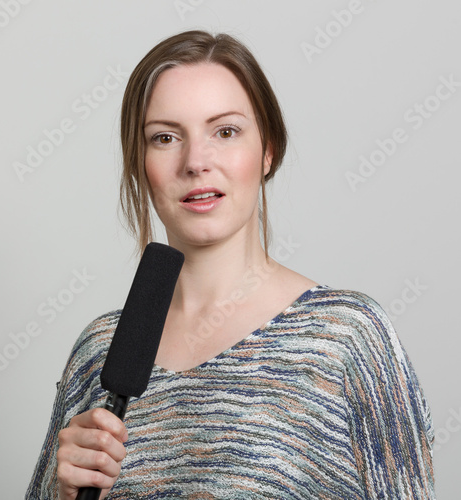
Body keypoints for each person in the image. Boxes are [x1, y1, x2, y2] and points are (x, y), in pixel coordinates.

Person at [26, 30, 435, 499]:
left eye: (225, 131)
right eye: (165, 137)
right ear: (141, 165)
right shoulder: (100, 351)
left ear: (268, 151)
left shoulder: (346, 339)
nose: (196, 161)